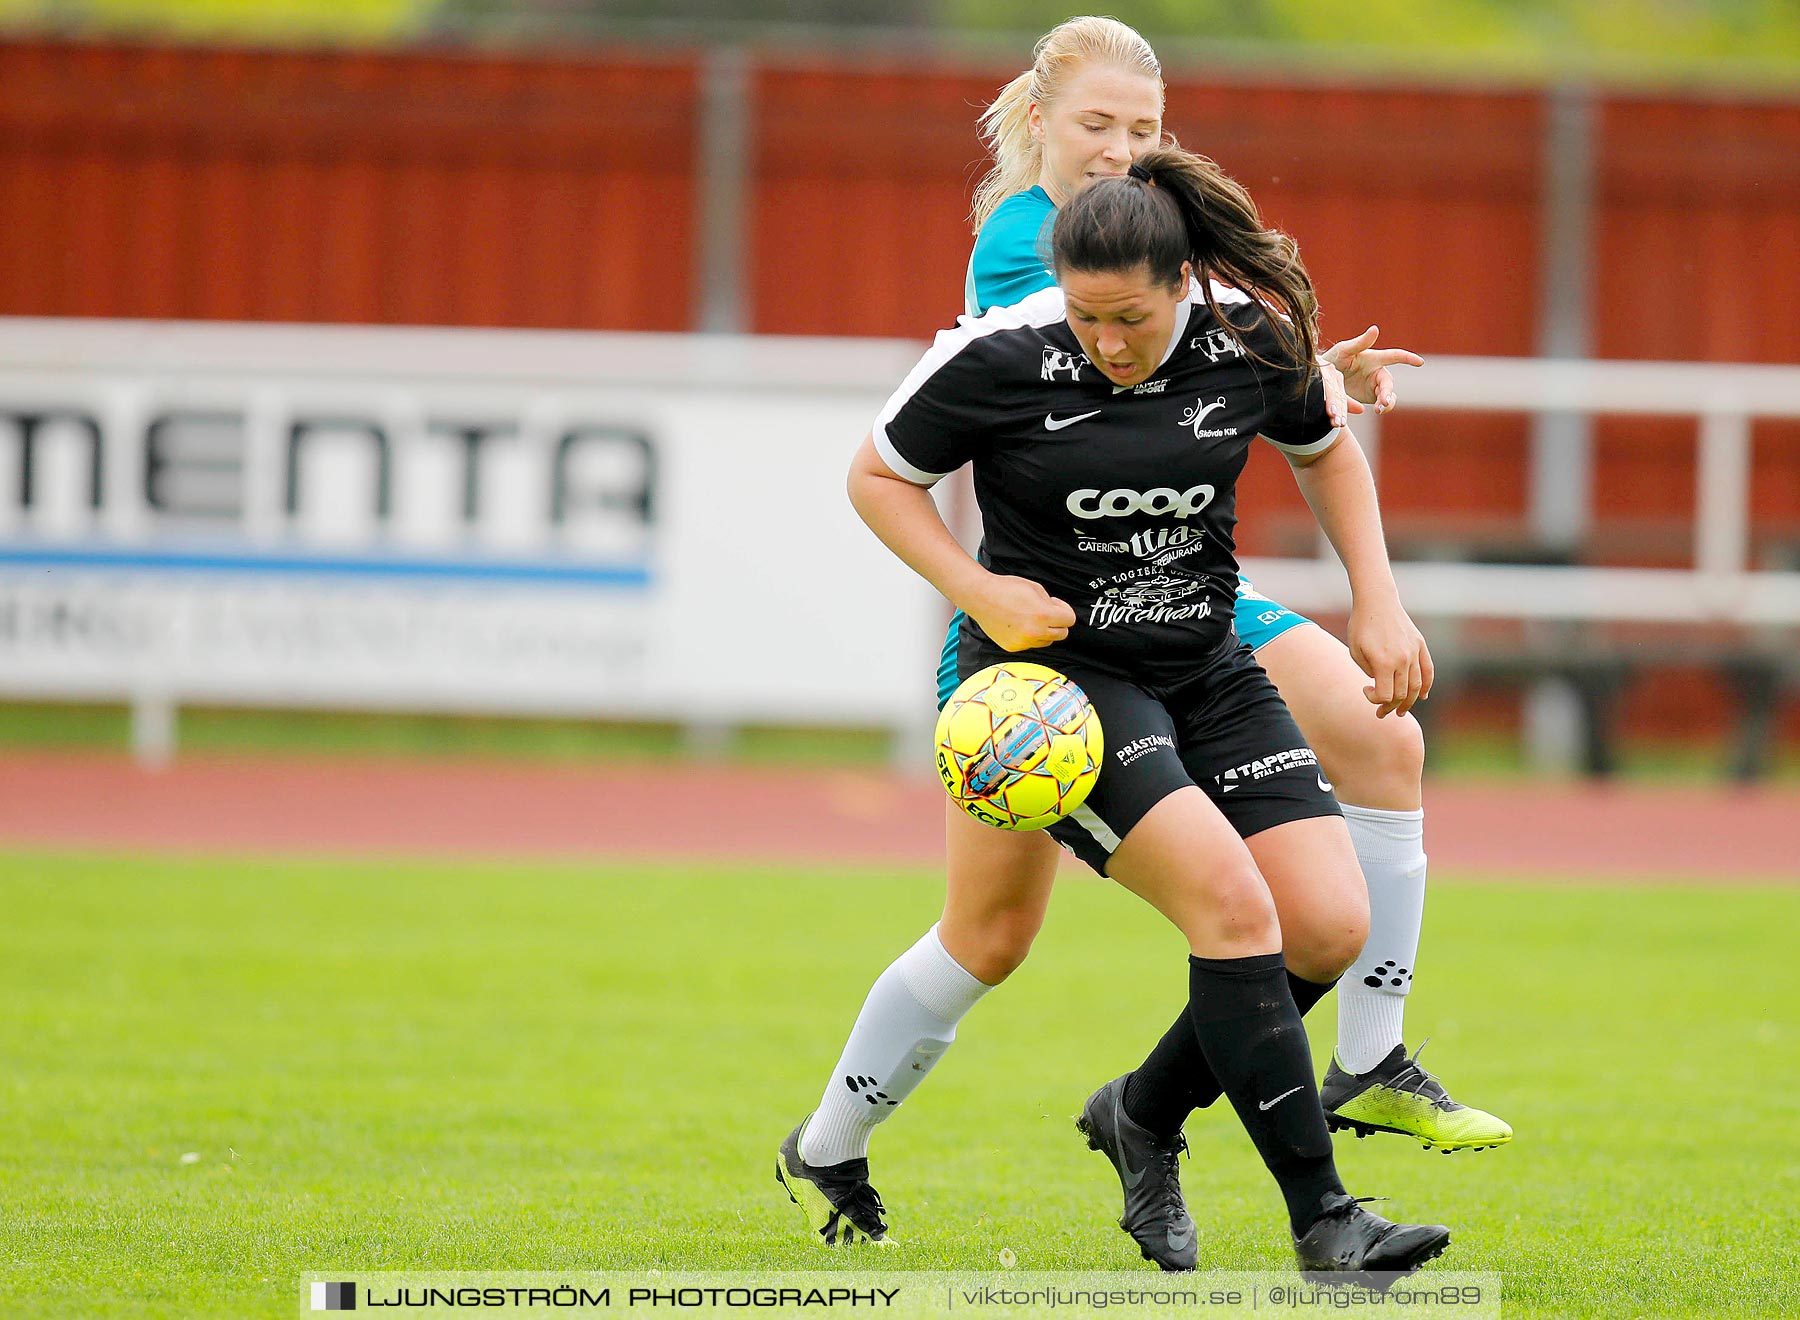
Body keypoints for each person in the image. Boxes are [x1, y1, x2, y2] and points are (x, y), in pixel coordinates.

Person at [777, 14, 1508, 1265]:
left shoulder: (1213, 310)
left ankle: (1158, 1108)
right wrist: (988, 591)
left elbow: (1257, 401)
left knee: (1318, 902)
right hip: (1047, 665)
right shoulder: (1035, 270)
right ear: (1040, 127)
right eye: (1094, 128)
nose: (1116, 153)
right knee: (1149, 913)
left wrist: (1320, 414)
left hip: (1192, 639)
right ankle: (1326, 1215)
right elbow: (914, 455)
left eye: (1141, 132)